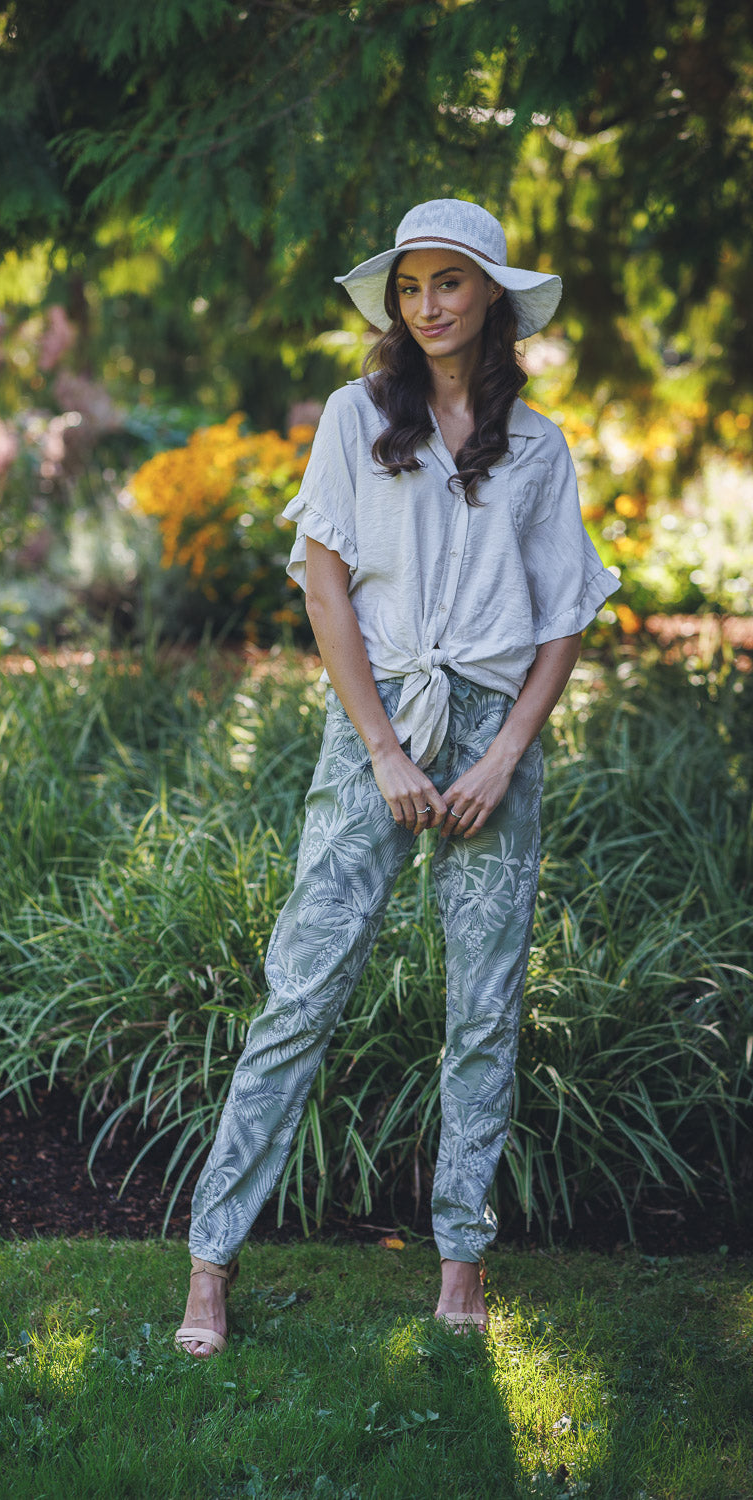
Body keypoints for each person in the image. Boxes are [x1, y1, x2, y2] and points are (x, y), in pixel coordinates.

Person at [174, 198, 619, 1356]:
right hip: (375, 722)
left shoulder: (537, 444)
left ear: (492, 299)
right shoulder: (354, 416)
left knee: (481, 1010)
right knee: (302, 991)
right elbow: (323, 589)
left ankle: (460, 1262)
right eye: (410, 286)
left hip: (493, 738)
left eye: (449, 284)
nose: (425, 306)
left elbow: (565, 614)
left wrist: (502, 756)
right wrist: (380, 748)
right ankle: (210, 1263)